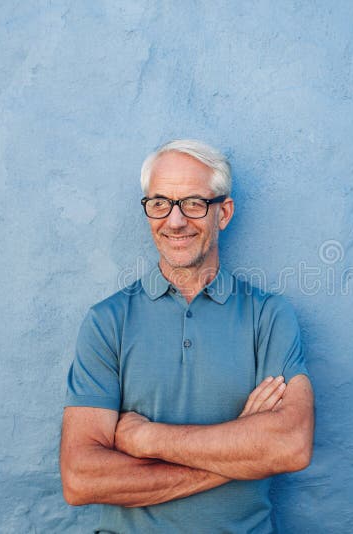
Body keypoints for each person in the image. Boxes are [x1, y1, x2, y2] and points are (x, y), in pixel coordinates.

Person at [60, 139, 315, 533]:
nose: (174, 221)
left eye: (194, 203)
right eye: (159, 203)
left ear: (223, 213)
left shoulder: (268, 316)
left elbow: (291, 446)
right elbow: (82, 479)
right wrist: (241, 453)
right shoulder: (107, 321)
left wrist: (147, 438)